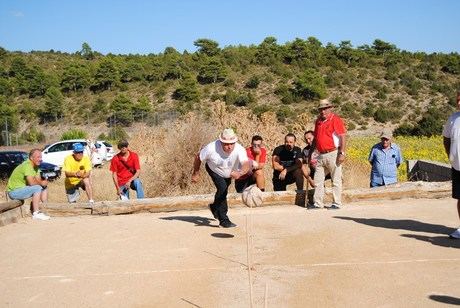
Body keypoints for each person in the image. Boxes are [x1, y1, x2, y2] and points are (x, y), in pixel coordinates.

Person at [192, 128, 249, 228]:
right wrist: (196, 173)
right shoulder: (211, 148)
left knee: (223, 191)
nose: (229, 146)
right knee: (222, 189)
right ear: (220, 141)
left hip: (228, 173)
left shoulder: (239, 149)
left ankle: (214, 207)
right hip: (214, 170)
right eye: (226, 144)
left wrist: (240, 173)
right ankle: (224, 220)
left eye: (232, 143)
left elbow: (246, 164)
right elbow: (198, 157)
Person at [310, 99, 346, 210]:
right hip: (321, 154)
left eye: (325, 109)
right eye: (321, 109)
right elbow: (316, 138)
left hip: (333, 153)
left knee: (335, 179)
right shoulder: (318, 121)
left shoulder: (335, 119)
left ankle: (337, 203)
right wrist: (311, 152)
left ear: (330, 108)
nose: (323, 111)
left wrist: (342, 152)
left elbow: (342, 136)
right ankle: (318, 203)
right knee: (318, 180)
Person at [7, 149, 50, 220]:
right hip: (14, 192)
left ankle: (45, 207)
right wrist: (42, 182)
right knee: (37, 188)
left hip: (22, 189)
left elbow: (38, 180)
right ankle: (36, 213)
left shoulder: (36, 167)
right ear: (31, 158)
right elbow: (31, 183)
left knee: (44, 187)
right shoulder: (27, 165)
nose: (40, 159)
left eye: (41, 157)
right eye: (38, 157)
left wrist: (44, 183)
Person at [442, 90, 460, 239]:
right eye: (458, 100)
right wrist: (451, 156)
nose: (459, 103)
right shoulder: (453, 118)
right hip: (458, 166)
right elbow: (446, 137)